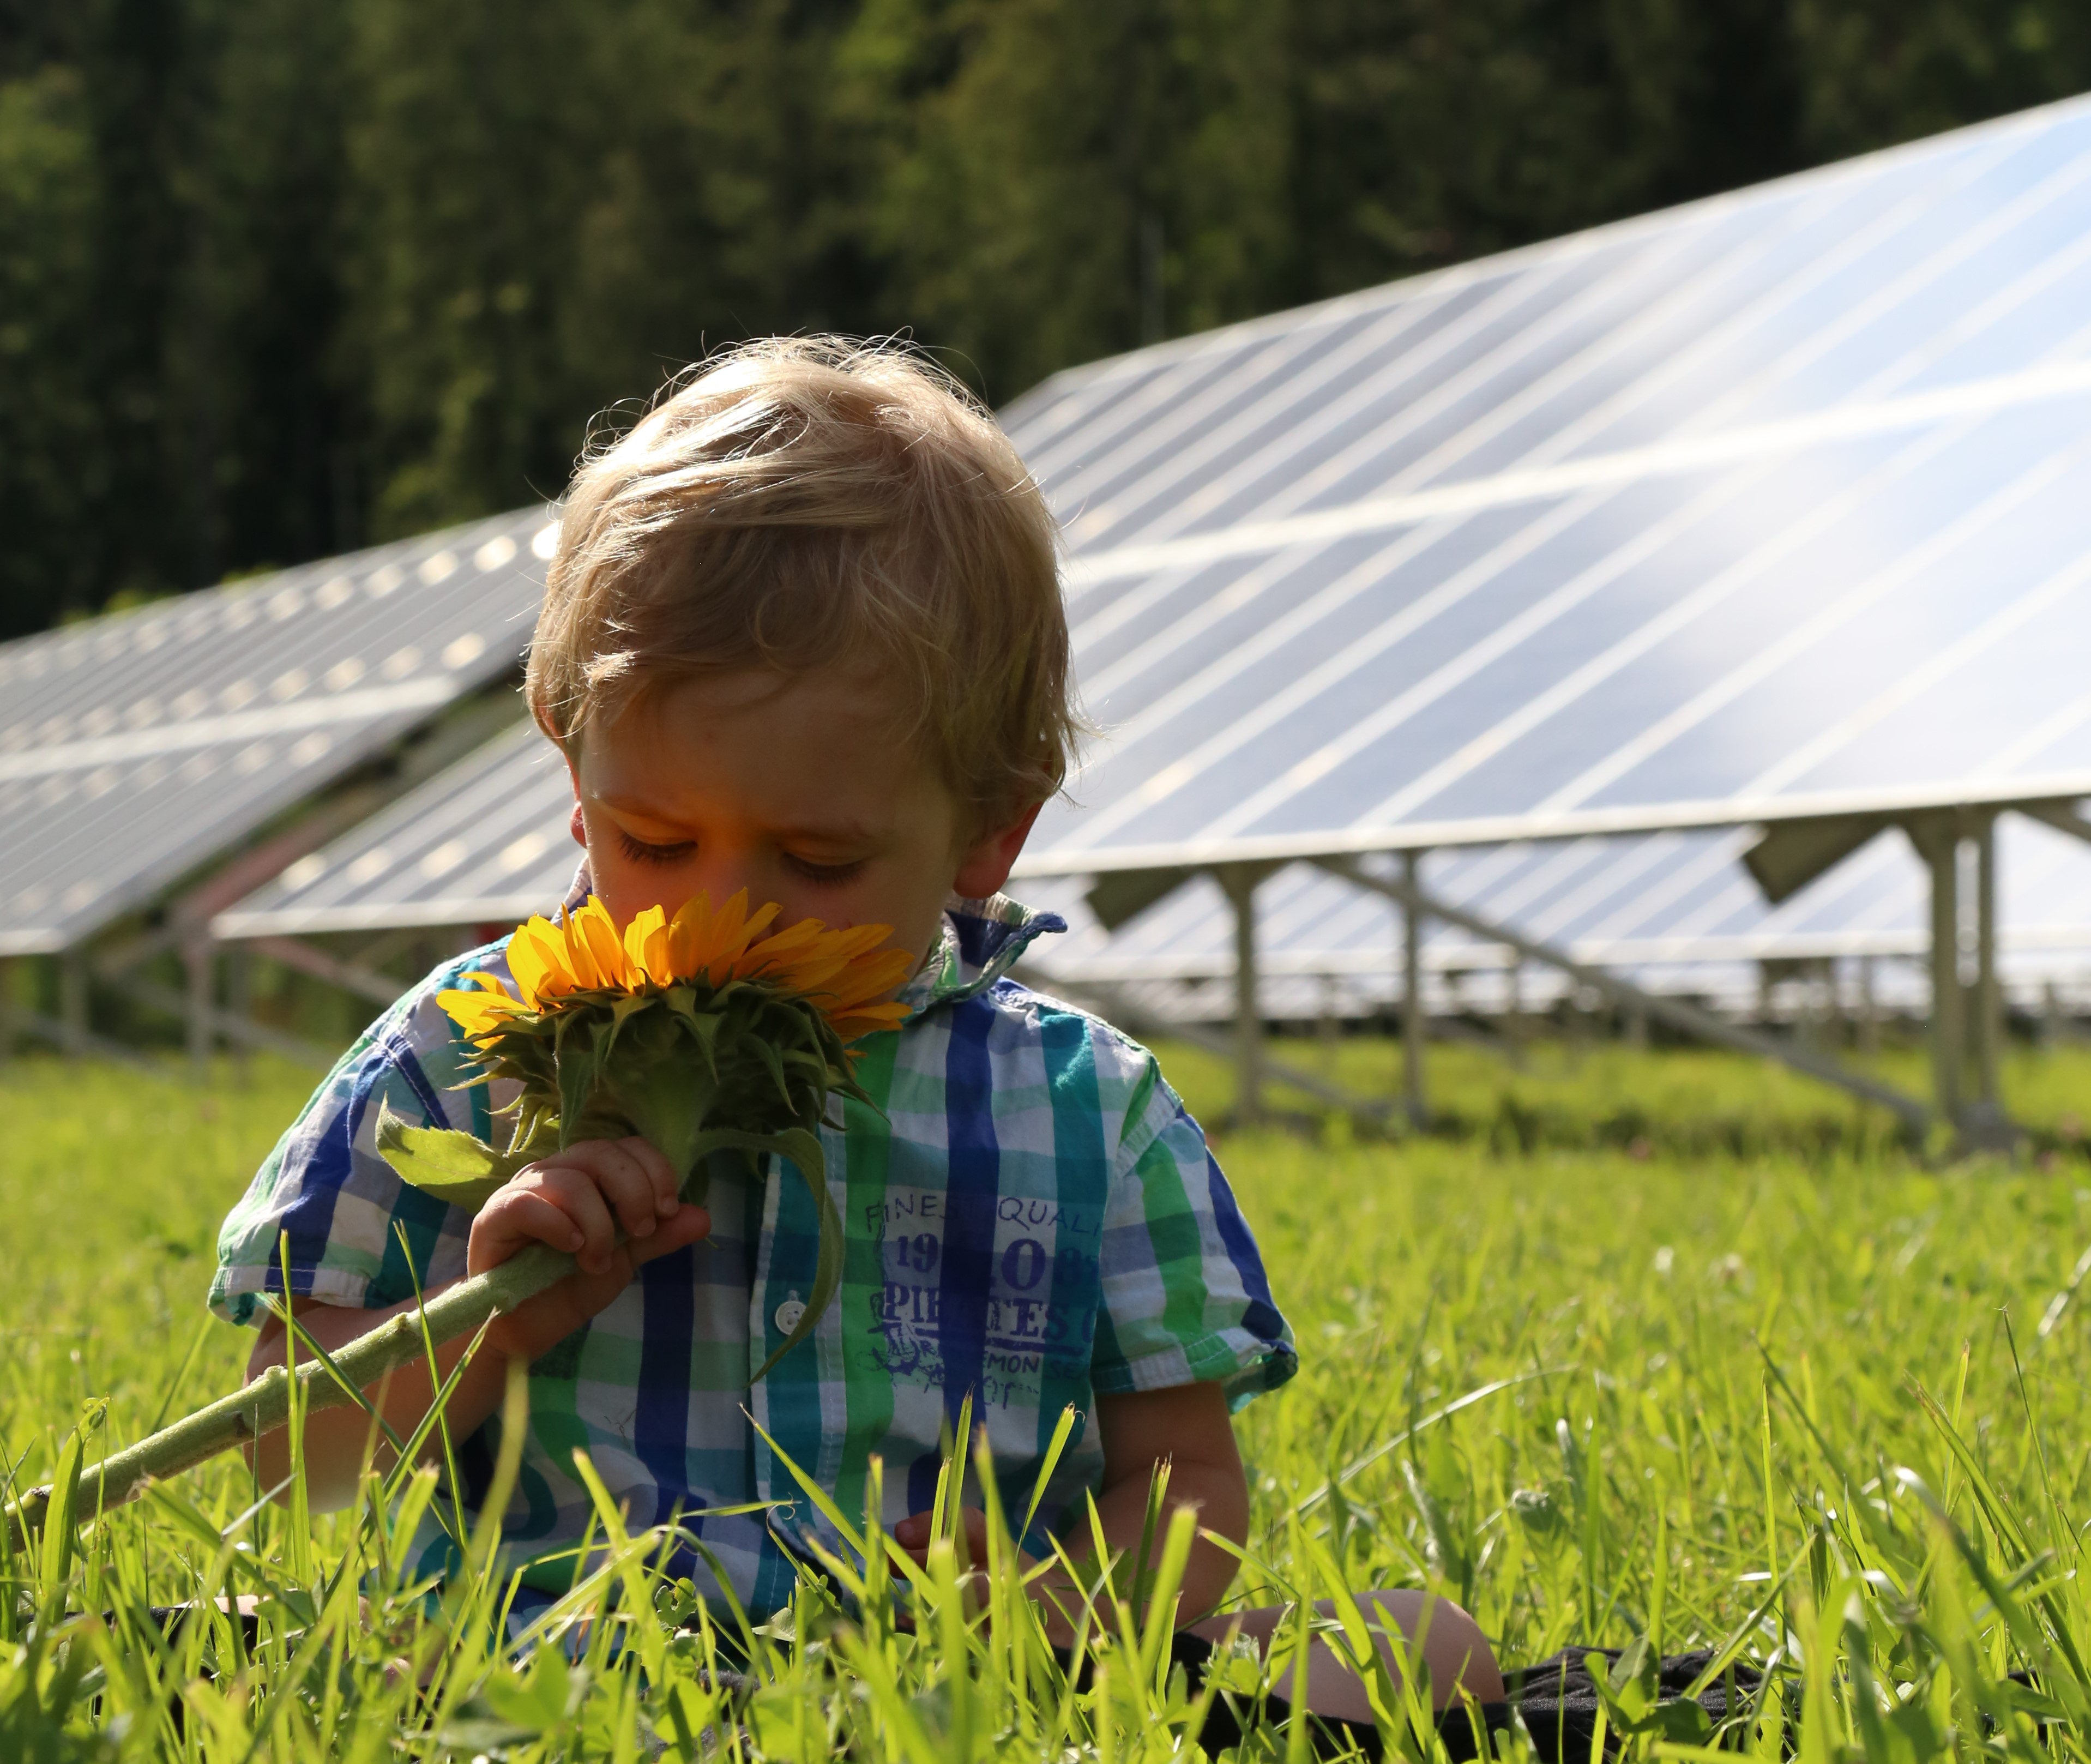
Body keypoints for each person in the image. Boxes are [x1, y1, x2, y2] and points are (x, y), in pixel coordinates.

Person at [209, 338, 1503, 1730]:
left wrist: (1041, 1616)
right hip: (563, 1678)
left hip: (974, 1691)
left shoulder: (1083, 1112)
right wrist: (496, 1322)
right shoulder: (461, 1057)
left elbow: (1183, 1484)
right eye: (656, 839)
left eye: (820, 863)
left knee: (1419, 1648)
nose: (723, 913)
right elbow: (301, 1462)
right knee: (206, 1654)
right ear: (571, 761)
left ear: (987, 831)